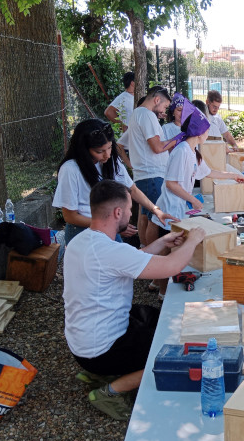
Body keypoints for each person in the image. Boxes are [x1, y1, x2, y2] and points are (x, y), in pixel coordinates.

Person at [64, 179, 206, 421]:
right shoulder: (110, 251)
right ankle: (110, 391)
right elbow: (171, 266)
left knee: (160, 319)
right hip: (100, 351)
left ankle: (105, 373)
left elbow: (130, 258)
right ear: (118, 212)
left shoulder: (82, 241)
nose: (131, 214)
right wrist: (193, 240)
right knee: (173, 350)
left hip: (82, 343)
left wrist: (161, 242)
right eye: (130, 210)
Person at [145, 104, 244, 298]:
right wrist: (194, 201)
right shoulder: (182, 151)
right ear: (200, 133)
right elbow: (172, 184)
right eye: (207, 131)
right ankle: (163, 292)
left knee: (170, 249)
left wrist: (232, 176)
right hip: (169, 209)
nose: (208, 134)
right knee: (167, 252)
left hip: (178, 208)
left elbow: (208, 173)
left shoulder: (193, 152)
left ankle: (158, 285)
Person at [53, 119, 176, 245]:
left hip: (108, 228)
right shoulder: (70, 169)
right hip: (81, 233)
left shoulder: (111, 161)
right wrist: (111, 225)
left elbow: (132, 189)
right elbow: (70, 216)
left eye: (110, 147)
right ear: (84, 149)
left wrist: (156, 210)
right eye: (100, 151)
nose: (107, 155)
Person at [126, 86, 172, 246]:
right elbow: (157, 147)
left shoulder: (138, 114)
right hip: (152, 175)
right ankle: (153, 256)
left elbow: (119, 144)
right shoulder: (146, 115)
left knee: (145, 216)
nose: (164, 110)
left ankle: (145, 251)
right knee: (154, 219)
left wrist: (131, 164)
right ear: (157, 100)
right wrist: (178, 138)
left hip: (146, 174)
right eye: (165, 106)